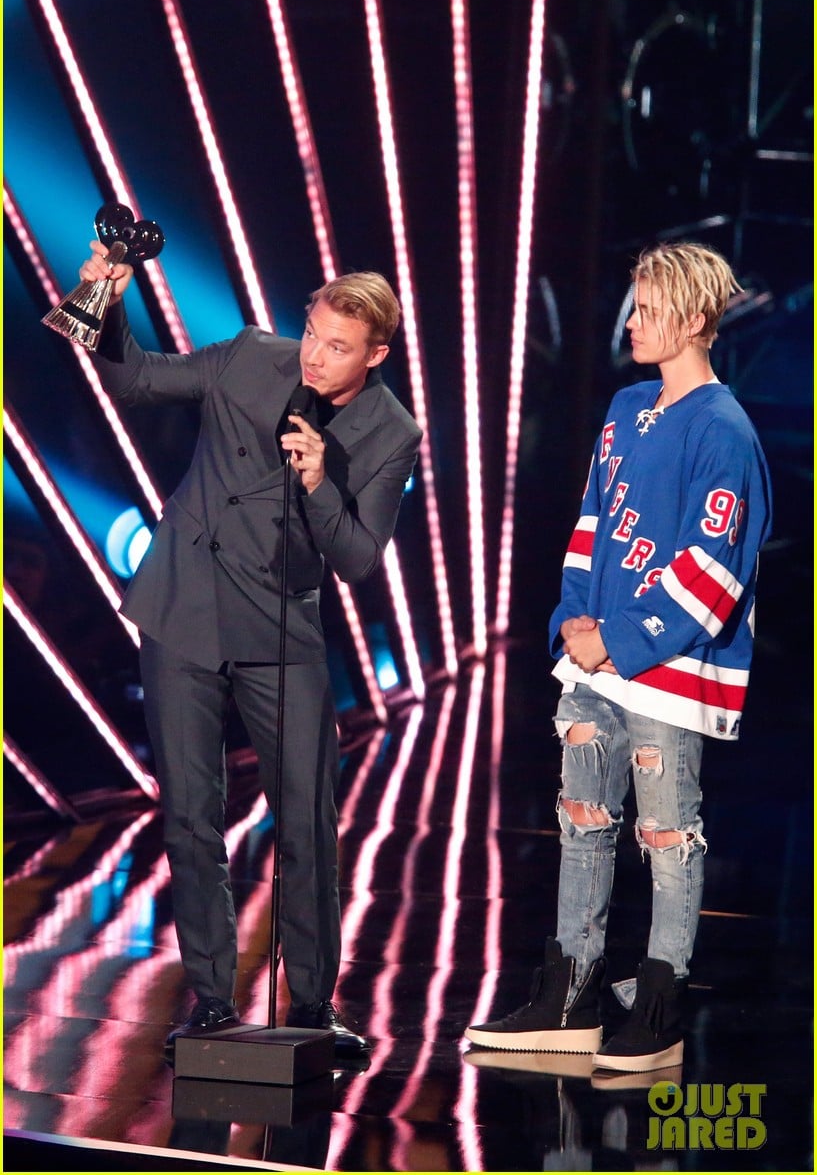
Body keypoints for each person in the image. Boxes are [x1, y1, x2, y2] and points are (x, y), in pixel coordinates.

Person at [80, 240, 422, 1060]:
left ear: (375, 355)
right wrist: (106, 302)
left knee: (308, 816)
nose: (314, 353)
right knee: (191, 814)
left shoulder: (390, 431)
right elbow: (135, 379)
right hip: (184, 606)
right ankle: (207, 998)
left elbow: (357, 560)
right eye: (311, 333)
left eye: (336, 346)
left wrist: (317, 484)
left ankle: (310, 1000)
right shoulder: (245, 357)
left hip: (281, 625)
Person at [465, 241, 772, 1073]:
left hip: (665, 677)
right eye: (632, 305)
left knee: (666, 836)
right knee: (581, 826)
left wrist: (621, 640)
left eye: (647, 308)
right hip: (591, 661)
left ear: (696, 318)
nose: (631, 321)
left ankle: (661, 1002)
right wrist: (572, 620)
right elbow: (592, 526)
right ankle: (570, 993)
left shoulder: (723, 429)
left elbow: (714, 568)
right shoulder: (624, 406)